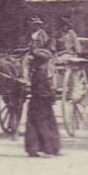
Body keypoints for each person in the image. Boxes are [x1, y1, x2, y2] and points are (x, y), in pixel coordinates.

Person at [22, 29, 62, 157]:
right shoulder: (44, 60)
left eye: (37, 42)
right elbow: (51, 78)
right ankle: (49, 148)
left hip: (39, 93)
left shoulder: (36, 60)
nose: (35, 43)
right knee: (45, 119)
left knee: (35, 119)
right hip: (43, 93)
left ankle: (35, 148)